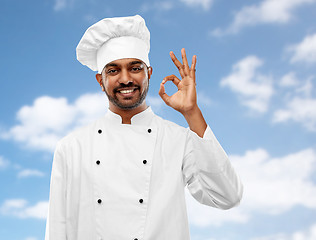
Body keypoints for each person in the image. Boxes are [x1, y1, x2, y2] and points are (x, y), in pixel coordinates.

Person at [45, 15, 243, 240]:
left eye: (135, 68)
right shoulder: (72, 147)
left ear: (148, 73)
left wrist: (192, 112)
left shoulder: (177, 139)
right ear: (100, 81)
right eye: (113, 70)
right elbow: (57, 229)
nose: (125, 79)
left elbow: (229, 197)